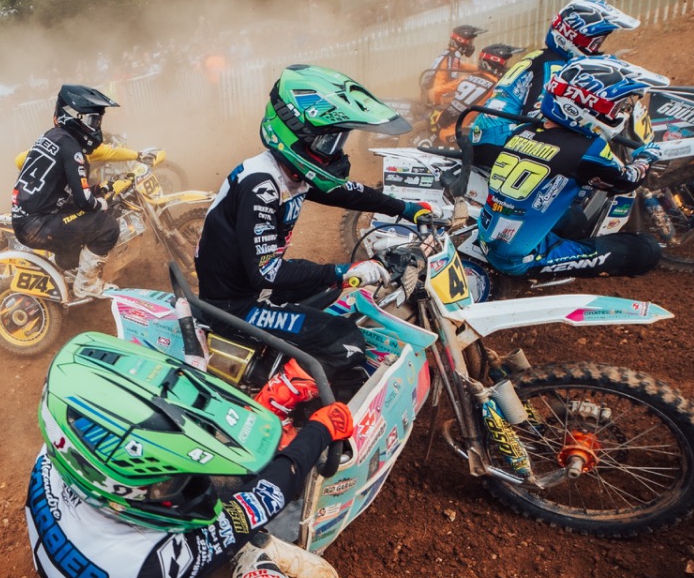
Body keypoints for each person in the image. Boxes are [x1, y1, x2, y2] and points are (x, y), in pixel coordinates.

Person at [24, 333, 355, 578]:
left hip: (104, 567)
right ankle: (251, 554)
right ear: (113, 493)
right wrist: (318, 432)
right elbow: (260, 501)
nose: (173, 487)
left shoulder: (64, 447)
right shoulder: (136, 564)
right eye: (160, 485)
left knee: (208, 481)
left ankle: (223, 544)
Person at [195, 64, 436, 399]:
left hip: (257, 291)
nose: (334, 152)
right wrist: (345, 271)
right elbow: (267, 271)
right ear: (296, 134)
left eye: (338, 141)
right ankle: (273, 409)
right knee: (346, 341)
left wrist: (405, 208)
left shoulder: (290, 172)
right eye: (327, 141)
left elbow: (346, 192)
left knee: (351, 300)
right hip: (235, 306)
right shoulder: (261, 185)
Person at [478, 56, 668, 280]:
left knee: (576, 219)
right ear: (584, 106)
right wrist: (646, 157)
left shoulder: (523, 130)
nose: (618, 113)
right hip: (519, 258)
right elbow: (627, 181)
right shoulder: (588, 149)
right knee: (646, 249)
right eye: (615, 106)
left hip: (490, 236)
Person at [471, 0, 642, 158]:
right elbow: (539, 115)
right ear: (573, 37)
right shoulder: (556, 67)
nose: (597, 49)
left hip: (491, 134)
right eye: (595, 43)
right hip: (500, 141)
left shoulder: (542, 56)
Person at [12, 84, 129, 299]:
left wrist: (99, 189)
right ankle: (86, 285)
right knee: (108, 227)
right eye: (92, 120)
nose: (96, 126)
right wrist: (99, 202)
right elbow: (84, 202)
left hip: (31, 219)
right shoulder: (71, 148)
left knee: (82, 232)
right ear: (74, 117)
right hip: (38, 225)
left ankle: (66, 270)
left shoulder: (52, 137)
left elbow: (64, 191)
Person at [421, 25, 484, 113]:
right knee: (472, 97)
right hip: (436, 95)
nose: (471, 45)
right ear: (461, 41)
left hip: (428, 92)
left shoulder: (448, 52)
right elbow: (453, 80)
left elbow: (463, 65)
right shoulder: (454, 55)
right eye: (470, 42)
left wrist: (481, 69)